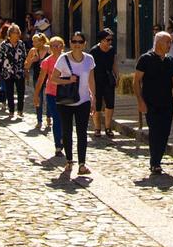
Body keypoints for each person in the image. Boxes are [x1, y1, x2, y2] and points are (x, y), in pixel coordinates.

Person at [135, 31, 173, 177]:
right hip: (150, 102)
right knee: (155, 131)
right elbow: (136, 81)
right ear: (158, 43)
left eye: (170, 42)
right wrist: (140, 101)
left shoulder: (170, 61)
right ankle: (155, 162)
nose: (170, 45)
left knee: (165, 132)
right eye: (167, 42)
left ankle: (157, 159)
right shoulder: (145, 59)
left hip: (166, 102)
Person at [53, 31, 97, 180]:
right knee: (66, 131)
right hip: (66, 101)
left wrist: (93, 97)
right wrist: (68, 81)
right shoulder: (63, 59)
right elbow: (53, 79)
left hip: (83, 100)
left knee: (82, 132)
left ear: (84, 44)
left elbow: (91, 79)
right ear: (70, 43)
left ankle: (82, 163)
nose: (77, 44)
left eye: (80, 42)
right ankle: (69, 161)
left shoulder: (89, 59)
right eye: (74, 41)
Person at [35, 36, 66, 154]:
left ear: (62, 46)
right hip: (51, 93)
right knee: (57, 118)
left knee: (65, 119)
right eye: (53, 46)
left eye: (58, 45)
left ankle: (63, 138)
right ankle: (58, 144)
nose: (56, 48)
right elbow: (41, 78)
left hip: (66, 93)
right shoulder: (47, 61)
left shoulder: (68, 59)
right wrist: (36, 94)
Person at [0, 23, 28, 118]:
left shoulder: (21, 44)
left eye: (18, 32)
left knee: (21, 91)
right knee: (9, 92)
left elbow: (24, 57)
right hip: (8, 72)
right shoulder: (4, 44)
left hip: (19, 71)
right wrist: (3, 69)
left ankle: (20, 110)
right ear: (10, 34)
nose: (17, 34)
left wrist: (26, 69)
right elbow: (0, 58)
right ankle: (11, 110)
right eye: (15, 32)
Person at [91, 29, 117, 137]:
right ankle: (97, 128)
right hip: (97, 79)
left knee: (110, 103)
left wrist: (117, 74)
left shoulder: (111, 50)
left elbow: (114, 62)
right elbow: (91, 68)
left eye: (111, 40)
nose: (110, 42)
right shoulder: (94, 51)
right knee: (97, 105)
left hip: (108, 79)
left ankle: (108, 127)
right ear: (102, 40)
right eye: (108, 40)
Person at [25, 33, 49, 130]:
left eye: (36, 41)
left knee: (49, 98)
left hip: (49, 77)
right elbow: (26, 65)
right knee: (38, 98)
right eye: (33, 41)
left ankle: (48, 116)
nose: (34, 43)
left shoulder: (49, 49)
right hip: (37, 77)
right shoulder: (33, 51)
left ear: (42, 41)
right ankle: (39, 120)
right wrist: (32, 60)